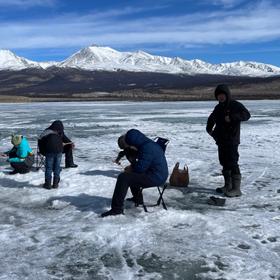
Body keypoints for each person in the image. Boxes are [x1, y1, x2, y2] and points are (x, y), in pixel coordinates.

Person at [102, 129, 169, 217]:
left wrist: (131, 168)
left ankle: (116, 209)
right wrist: (132, 167)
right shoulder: (147, 144)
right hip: (156, 173)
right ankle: (137, 199)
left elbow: (140, 168)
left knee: (123, 177)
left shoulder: (147, 148)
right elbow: (142, 165)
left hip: (156, 177)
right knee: (131, 175)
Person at [206, 84, 251, 197]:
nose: (221, 97)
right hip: (221, 140)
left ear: (227, 95)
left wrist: (232, 117)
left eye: (222, 95)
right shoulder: (218, 107)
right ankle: (228, 186)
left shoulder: (235, 105)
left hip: (232, 139)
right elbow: (212, 118)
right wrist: (209, 130)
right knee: (224, 162)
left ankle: (236, 189)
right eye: (219, 95)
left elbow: (246, 115)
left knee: (232, 162)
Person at [39, 120, 73, 189]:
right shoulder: (60, 132)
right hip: (59, 151)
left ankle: (47, 184)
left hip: (49, 152)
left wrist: (43, 152)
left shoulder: (46, 132)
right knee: (57, 167)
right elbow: (67, 140)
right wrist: (71, 143)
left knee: (48, 168)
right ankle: (55, 184)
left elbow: (40, 143)